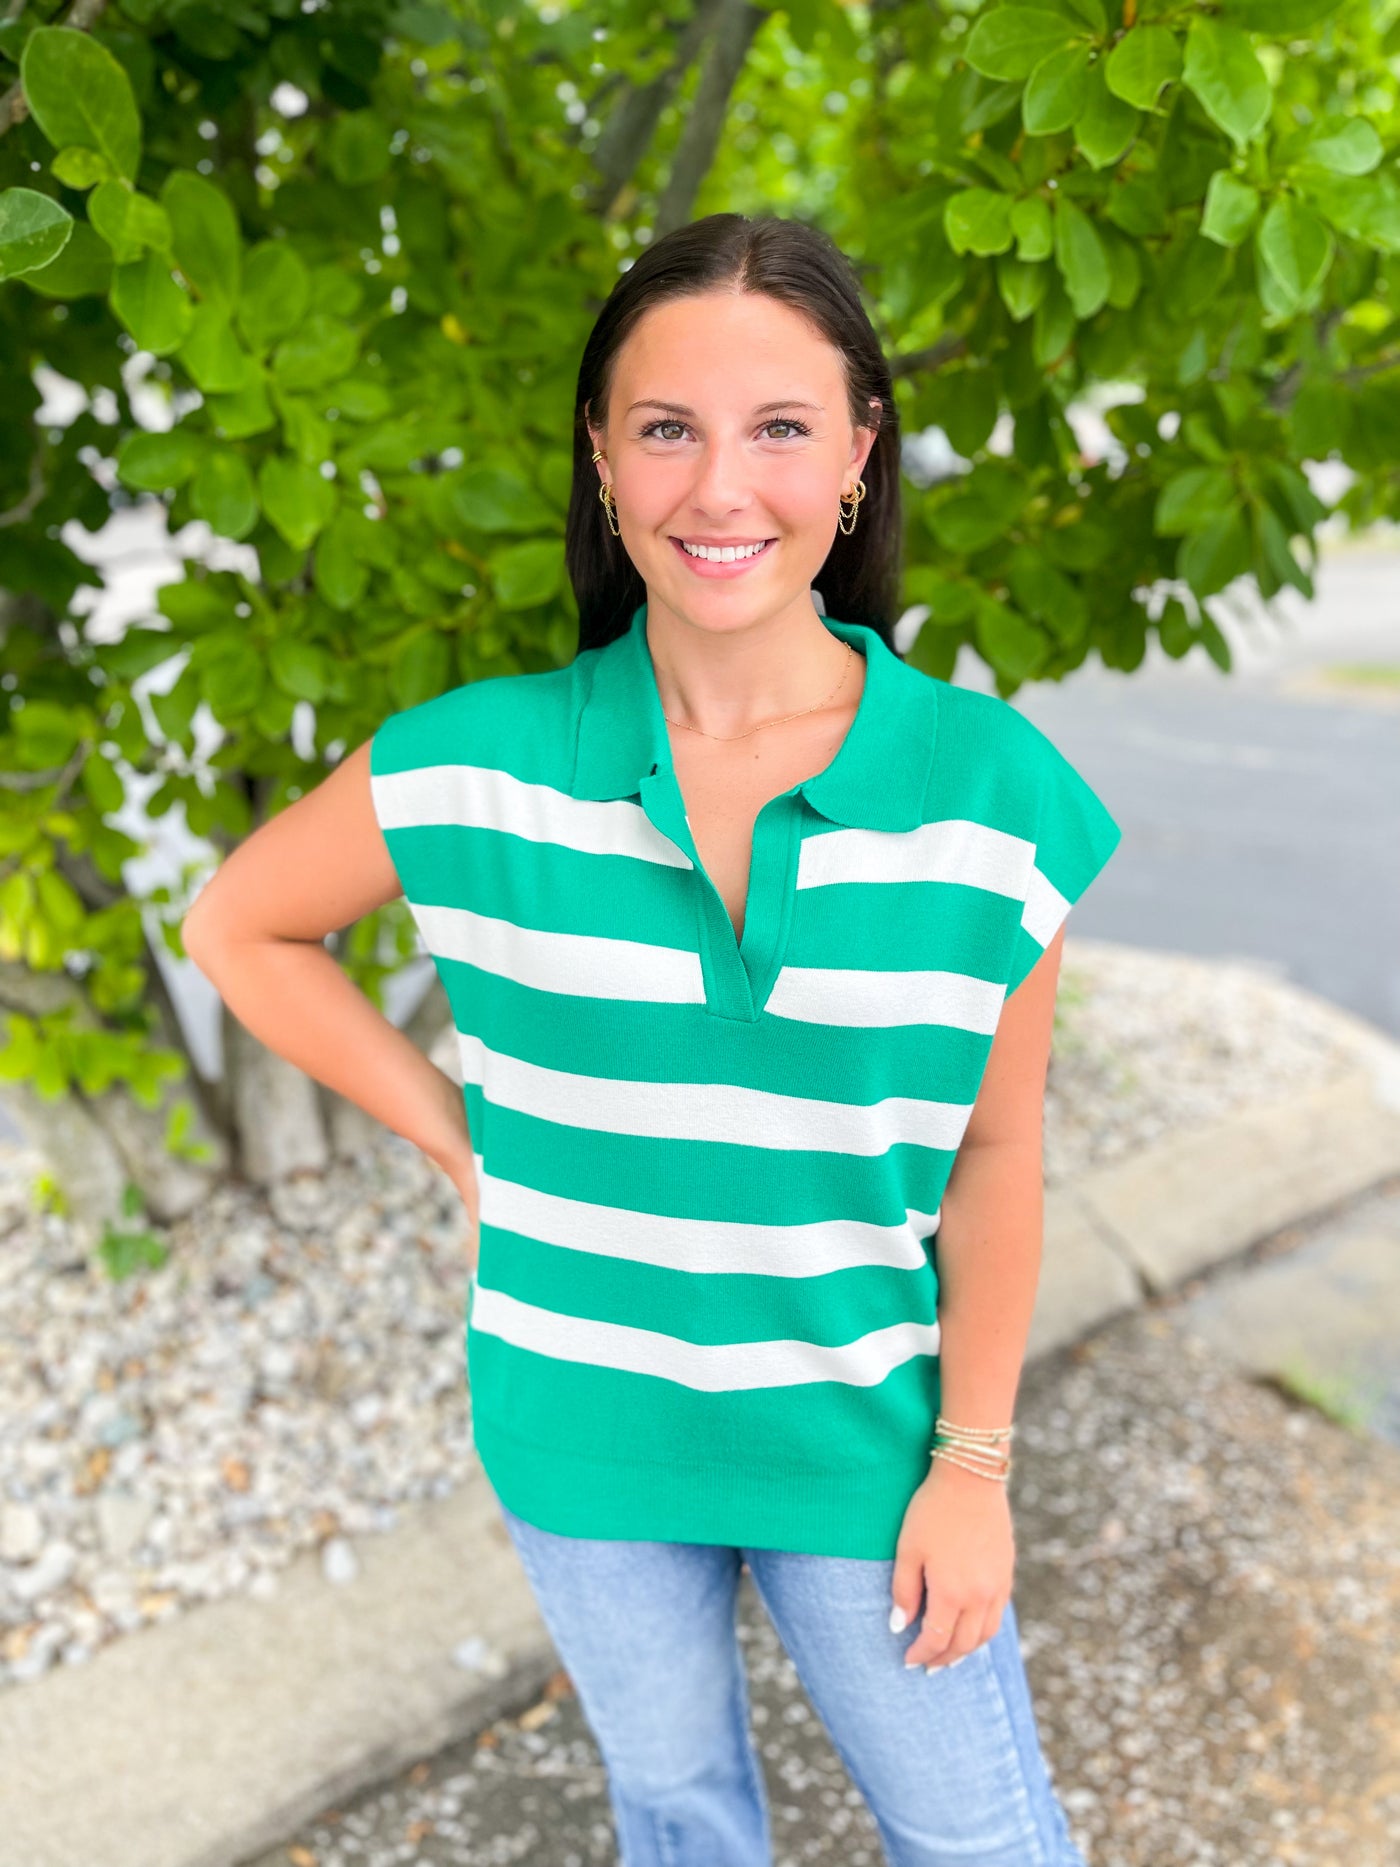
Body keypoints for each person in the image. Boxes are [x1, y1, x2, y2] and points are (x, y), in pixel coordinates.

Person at [185, 212, 1121, 1866]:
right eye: (667, 428)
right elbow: (239, 929)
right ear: (603, 461)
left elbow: (995, 1148)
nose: (721, 488)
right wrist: (451, 1133)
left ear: (858, 456)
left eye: (780, 427)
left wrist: (972, 1466)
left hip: (864, 1443)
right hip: (581, 1428)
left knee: (984, 1842)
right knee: (679, 1816)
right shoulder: (470, 768)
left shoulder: (997, 797)